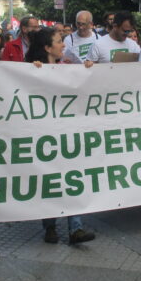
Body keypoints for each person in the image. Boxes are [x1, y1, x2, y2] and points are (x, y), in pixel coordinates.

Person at [26, 27, 96, 245]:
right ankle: (50, 227)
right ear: (47, 47)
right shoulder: (30, 70)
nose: (63, 45)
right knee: (51, 181)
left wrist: (87, 69)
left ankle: (76, 228)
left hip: (66, 134)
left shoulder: (67, 68)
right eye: (58, 41)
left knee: (72, 178)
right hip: (44, 136)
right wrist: (33, 71)